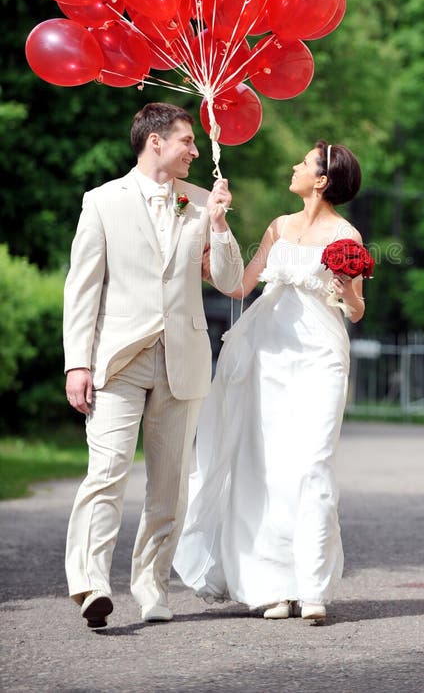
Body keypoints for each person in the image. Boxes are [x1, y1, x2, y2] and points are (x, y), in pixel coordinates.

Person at [63, 102, 243, 629]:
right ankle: (92, 583)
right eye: (187, 140)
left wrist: (222, 226)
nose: (195, 149)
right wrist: (78, 363)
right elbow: (82, 288)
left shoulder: (203, 201)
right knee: (108, 471)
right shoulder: (101, 202)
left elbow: (230, 281)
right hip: (118, 358)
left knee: (169, 484)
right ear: (156, 142)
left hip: (182, 358)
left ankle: (151, 584)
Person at [174, 140, 367, 624]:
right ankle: (273, 586)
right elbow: (240, 285)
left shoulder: (348, 236)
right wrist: (216, 228)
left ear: (322, 179)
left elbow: (358, 311)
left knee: (313, 463)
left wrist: (346, 292)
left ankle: (313, 587)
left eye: (303, 163)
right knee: (265, 465)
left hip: (320, 354)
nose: (294, 166)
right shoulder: (279, 227)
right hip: (266, 354)